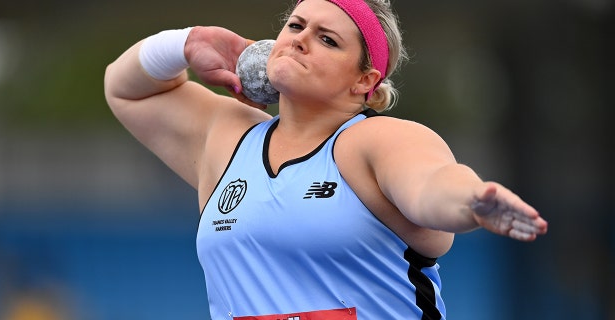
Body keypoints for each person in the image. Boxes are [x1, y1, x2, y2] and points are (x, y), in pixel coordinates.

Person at [104, 0, 548, 318]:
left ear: (365, 81)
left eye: (327, 39)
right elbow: (124, 88)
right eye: (295, 25)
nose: (300, 41)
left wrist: (472, 199)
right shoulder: (227, 137)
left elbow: (432, 185)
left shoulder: (373, 141)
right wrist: (186, 42)